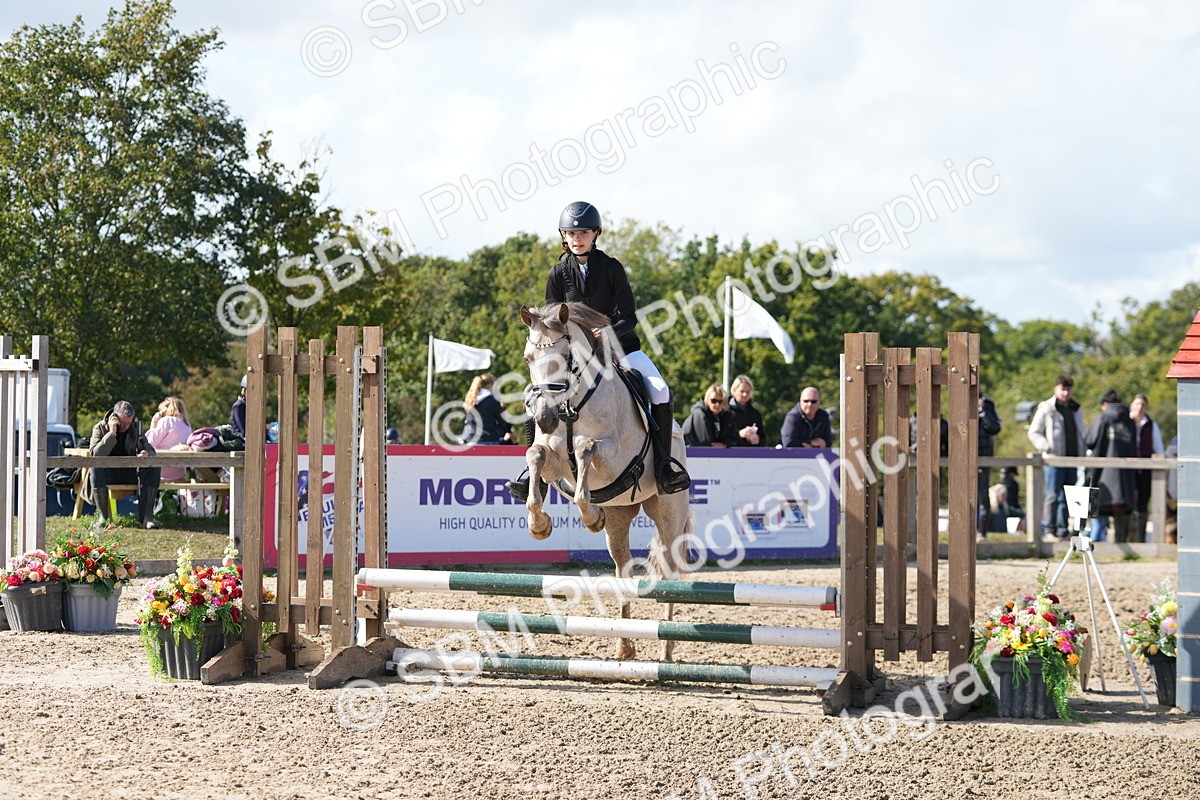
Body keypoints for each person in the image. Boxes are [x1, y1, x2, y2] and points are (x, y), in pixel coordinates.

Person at [507, 201, 689, 501]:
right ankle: (534, 479)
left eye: (584, 233)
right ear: (563, 236)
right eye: (570, 233)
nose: (577, 238)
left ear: (596, 234)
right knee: (535, 397)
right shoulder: (557, 273)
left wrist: (608, 332)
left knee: (659, 390)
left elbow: (629, 317)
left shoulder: (612, 267)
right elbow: (553, 321)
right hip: (575, 355)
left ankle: (664, 467)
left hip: (620, 348)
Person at [1028, 375, 1085, 541]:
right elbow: (1034, 432)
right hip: (1054, 459)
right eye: (1063, 389)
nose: (1066, 393)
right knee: (1052, 495)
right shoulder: (1047, 408)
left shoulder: (1076, 409)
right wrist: (1046, 446)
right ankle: (1050, 529)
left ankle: (1063, 529)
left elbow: (1082, 432)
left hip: (1072, 460)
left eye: (1068, 389)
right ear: (1056, 389)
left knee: (1067, 496)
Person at [89, 400, 161, 529]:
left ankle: (147, 517)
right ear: (114, 417)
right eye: (123, 423)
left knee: (153, 467)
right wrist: (111, 434)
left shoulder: (134, 428)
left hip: (130, 472)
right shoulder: (99, 428)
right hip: (108, 474)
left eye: (129, 423)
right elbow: (96, 454)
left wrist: (146, 454)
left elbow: (151, 451)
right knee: (96, 466)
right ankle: (103, 517)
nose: (126, 427)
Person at [1084, 388, 1137, 542]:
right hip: (1125, 477)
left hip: (1102, 475)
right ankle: (1122, 544)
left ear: (1105, 404)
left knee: (1098, 509)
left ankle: (1095, 545)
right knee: (1121, 511)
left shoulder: (1102, 418)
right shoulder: (1130, 422)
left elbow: (1089, 440)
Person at [1129, 393, 1164, 541]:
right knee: (1128, 503)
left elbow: (1158, 448)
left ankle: (1140, 538)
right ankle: (1128, 538)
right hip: (1128, 469)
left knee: (1143, 503)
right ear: (1132, 406)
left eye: (1143, 404)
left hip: (1145, 470)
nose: (1140, 407)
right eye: (1137, 404)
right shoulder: (1126, 422)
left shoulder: (1151, 425)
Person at [146, 397, 192, 481]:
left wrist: (153, 425)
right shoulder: (187, 425)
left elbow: (149, 444)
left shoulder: (166, 421)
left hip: (161, 470)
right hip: (179, 471)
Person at [462, 373, 514, 445]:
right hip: (488, 440)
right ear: (490, 385)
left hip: (470, 440)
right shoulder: (491, 400)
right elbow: (503, 421)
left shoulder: (471, 399)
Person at [976, 394, 1002, 536]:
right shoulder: (959, 399)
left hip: (984, 456)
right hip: (964, 457)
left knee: (983, 497)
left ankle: (982, 532)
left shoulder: (987, 404)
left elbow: (995, 427)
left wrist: (983, 412)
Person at [725, 375, 765, 447]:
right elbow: (721, 436)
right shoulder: (725, 411)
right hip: (730, 455)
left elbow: (763, 438)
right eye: (742, 391)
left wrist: (758, 440)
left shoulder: (755, 413)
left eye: (748, 391)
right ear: (734, 391)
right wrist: (739, 434)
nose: (745, 394)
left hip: (751, 455)